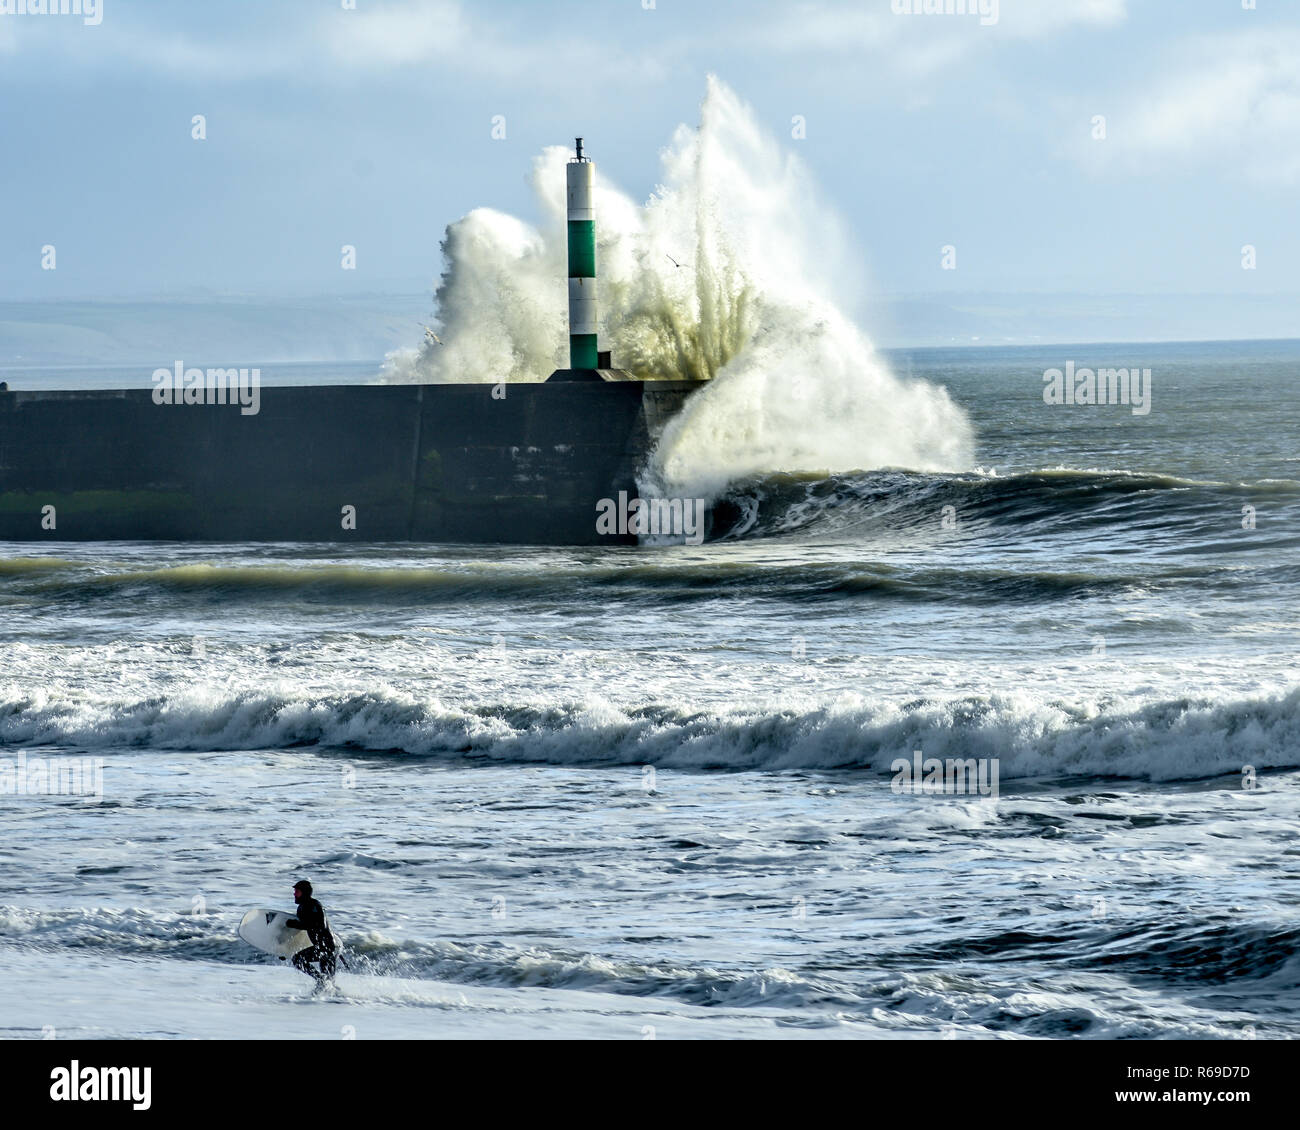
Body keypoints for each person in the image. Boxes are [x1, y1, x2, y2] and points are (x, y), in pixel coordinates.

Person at [285, 879, 337, 986]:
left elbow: (319, 925)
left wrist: (297, 924)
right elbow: (301, 935)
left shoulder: (314, 905)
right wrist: (283, 950)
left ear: (305, 892)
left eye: (297, 891)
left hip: (327, 947)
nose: (294, 894)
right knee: (327, 984)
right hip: (319, 946)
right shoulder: (301, 908)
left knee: (298, 960)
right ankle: (322, 982)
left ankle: (321, 980)